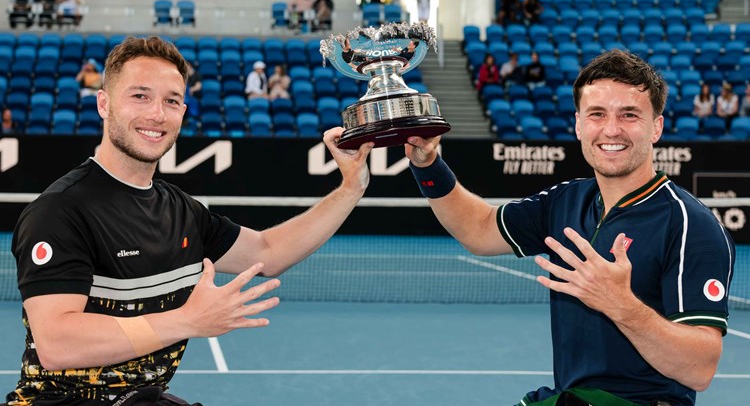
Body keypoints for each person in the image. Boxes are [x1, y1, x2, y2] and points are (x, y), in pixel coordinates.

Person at [4, 35, 375, 406]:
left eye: (171, 101)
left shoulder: (181, 210)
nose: (157, 114)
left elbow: (269, 251)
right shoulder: (59, 210)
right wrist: (188, 320)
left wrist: (350, 188)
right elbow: (57, 343)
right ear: (104, 104)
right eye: (140, 96)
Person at [404, 49, 734, 406]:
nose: (611, 129)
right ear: (578, 124)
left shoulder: (690, 225)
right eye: (597, 114)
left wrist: (622, 305)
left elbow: (699, 369)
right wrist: (428, 165)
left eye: (629, 115)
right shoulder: (566, 201)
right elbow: (479, 230)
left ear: (657, 127)